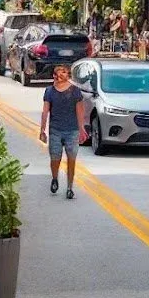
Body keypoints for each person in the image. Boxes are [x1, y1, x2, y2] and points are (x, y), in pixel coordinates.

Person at [39, 63, 89, 199]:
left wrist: (82, 129)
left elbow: (80, 111)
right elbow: (45, 111)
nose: (61, 75)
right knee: (55, 158)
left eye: (64, 72)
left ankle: (69, 187)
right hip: (55, 130)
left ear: (68, 75)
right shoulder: (49, 91)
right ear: (54, 76)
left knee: (71, 159)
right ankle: (55, 178)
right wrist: (42, 130)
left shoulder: (75, 91)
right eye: (58, 73)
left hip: (72, 131)